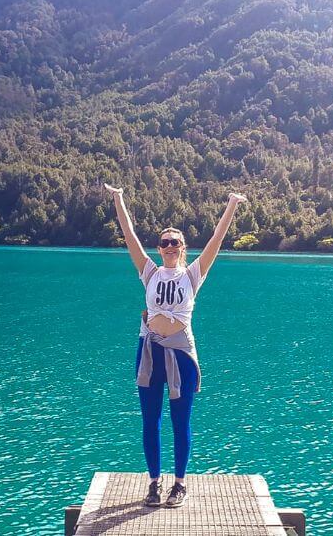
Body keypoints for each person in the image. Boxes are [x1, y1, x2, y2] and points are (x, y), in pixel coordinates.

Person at [104, 183, 247, 508]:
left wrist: (232, 205)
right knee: (150, 419)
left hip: (181, 352)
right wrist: (119, 198)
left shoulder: (193, 274)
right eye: (165, 242)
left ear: (183, 247)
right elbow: (130, 237)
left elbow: (216, 241)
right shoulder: (149, 272)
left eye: (176, 242)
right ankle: (154, 483)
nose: (170, 246)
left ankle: (179, 484)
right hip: (150, 350)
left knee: (181, 421)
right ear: (159, 247)